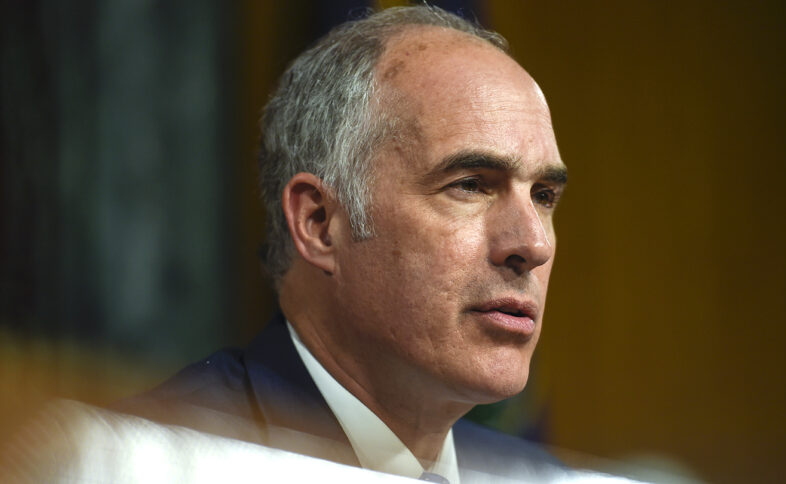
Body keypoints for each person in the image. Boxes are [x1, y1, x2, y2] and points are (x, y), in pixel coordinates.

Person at [112, 5, 584, 483]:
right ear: (319, 223)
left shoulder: (539, 477)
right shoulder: (151, 463)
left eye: (544, 196)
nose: (534, 243)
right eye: (470, 185)